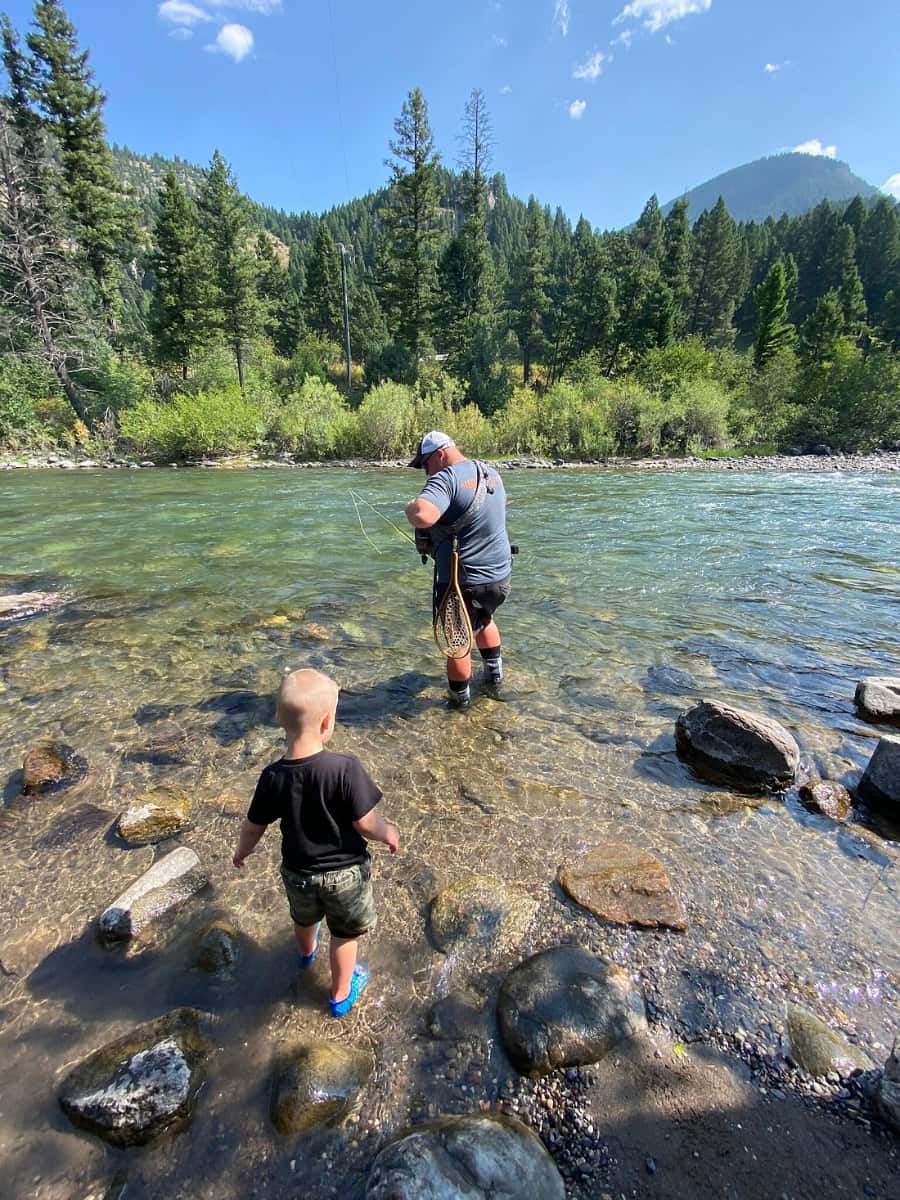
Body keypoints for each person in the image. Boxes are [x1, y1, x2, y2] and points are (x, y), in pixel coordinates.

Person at [232, 668, 399, 1017]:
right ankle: (340, 994)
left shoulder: (272, 776)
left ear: (279, 718)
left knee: (304, 919)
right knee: (343, 935)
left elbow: (254, 826)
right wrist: (388, 833)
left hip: (298, 873)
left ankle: (306, 954)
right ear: (327, 724)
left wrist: (242, 852)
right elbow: (365, 822)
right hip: (345, 875)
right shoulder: (344, 767)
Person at [405, 431, 512, 709]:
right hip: (499, 577)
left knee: (457, 641)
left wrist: (410, 506)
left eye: (424, 465)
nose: (425, 473)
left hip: (462, 581)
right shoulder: (491, 473)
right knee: (483, 619)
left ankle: (459, 704)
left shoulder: (445, 478)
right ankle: (494, 679)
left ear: (439, 455)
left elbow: (422, 514)